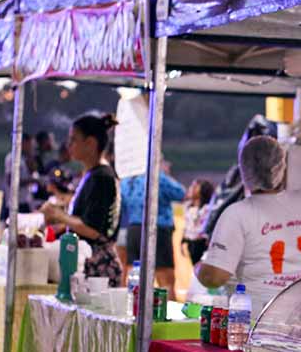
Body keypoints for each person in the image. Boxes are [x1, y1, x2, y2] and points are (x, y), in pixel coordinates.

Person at [196, 136, 301, 318]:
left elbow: (214, 277)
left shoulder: (237, 214)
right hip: (300, 319)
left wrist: (199, 268)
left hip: (255, 322)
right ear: (282, 166)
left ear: (243, 170)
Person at [40, 114, 122, 287]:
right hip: (86, 259)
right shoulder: (94, 174)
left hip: (97, 267)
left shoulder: (102, 177)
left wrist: (58, 215)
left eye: (73, 140)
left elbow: (92, 229)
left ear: (90, 143)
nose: (68, 145)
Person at [121, 162, 186, 300]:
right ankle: (168, 317)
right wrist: (163, 172)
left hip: (134, 230)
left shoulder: (126, 181)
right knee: (166, 280)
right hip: (157, 229)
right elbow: (180, 193)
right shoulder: (156, 177)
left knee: (137, 278)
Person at [2, 133, 38, 218]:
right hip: (14, 202)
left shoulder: (25, 158)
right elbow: (11, 181)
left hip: (25, 200)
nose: (30, 147)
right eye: (29, 144)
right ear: (23, 143)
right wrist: (32, 181)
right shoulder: (11, 158)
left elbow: (33, 170)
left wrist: (30, 156)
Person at [182, 179, 214, 265]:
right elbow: (185, 225)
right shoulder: (187, 207)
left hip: (201, 243)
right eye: (191, 186)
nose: (191, 188)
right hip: (189, 242)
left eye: (195, 186)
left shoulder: (208, 209)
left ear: (204, 191)